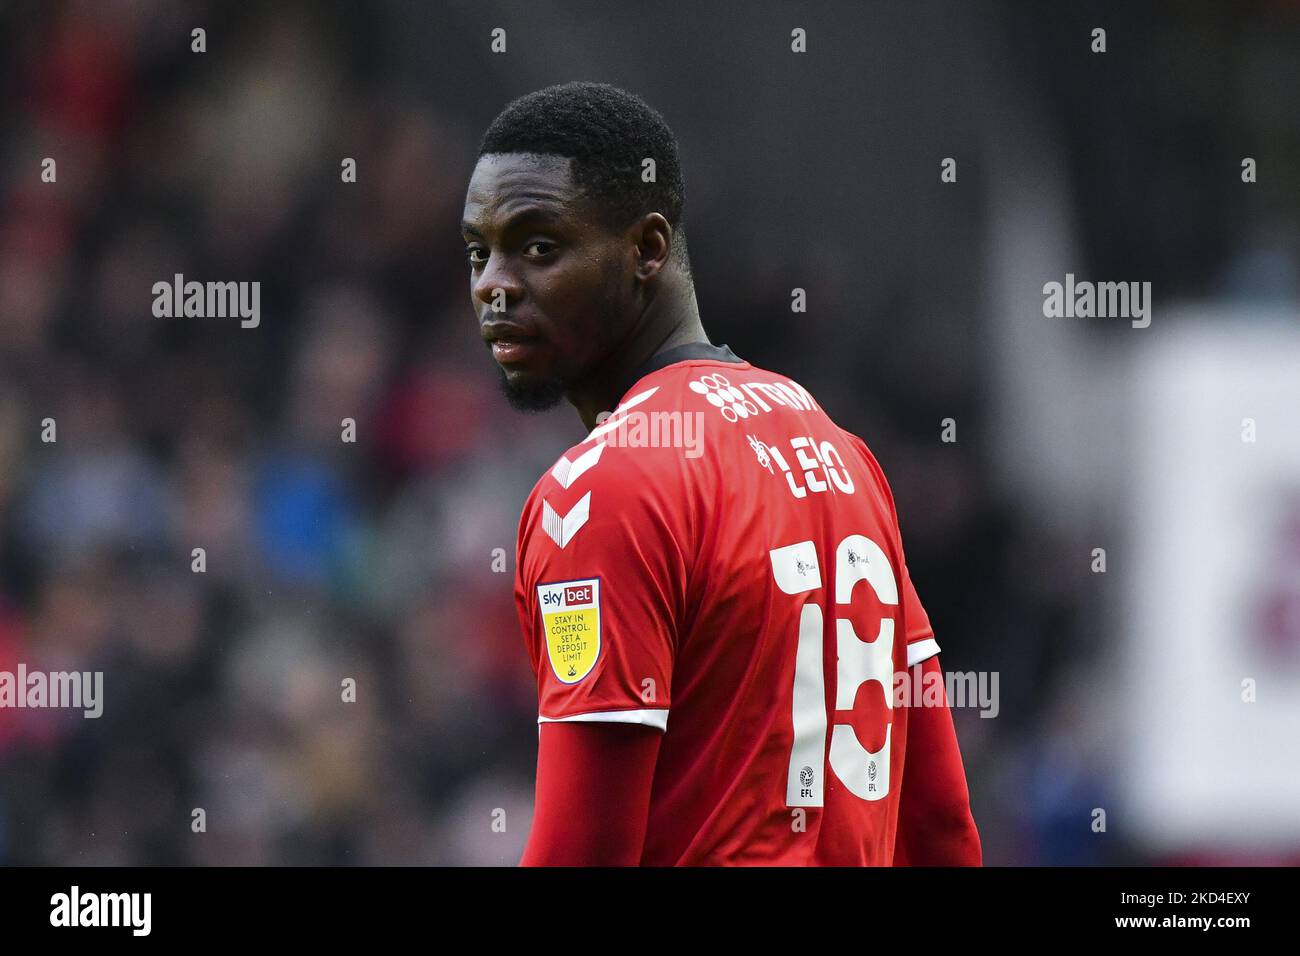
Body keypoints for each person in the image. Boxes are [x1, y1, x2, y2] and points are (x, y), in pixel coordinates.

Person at [461, 81, 981, 866]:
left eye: (538, 247)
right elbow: (941, 825)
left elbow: (584, 849)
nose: (494, 284)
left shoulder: (602, 492)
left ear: (647, 249)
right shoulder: (839, 452)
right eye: (479, 251)